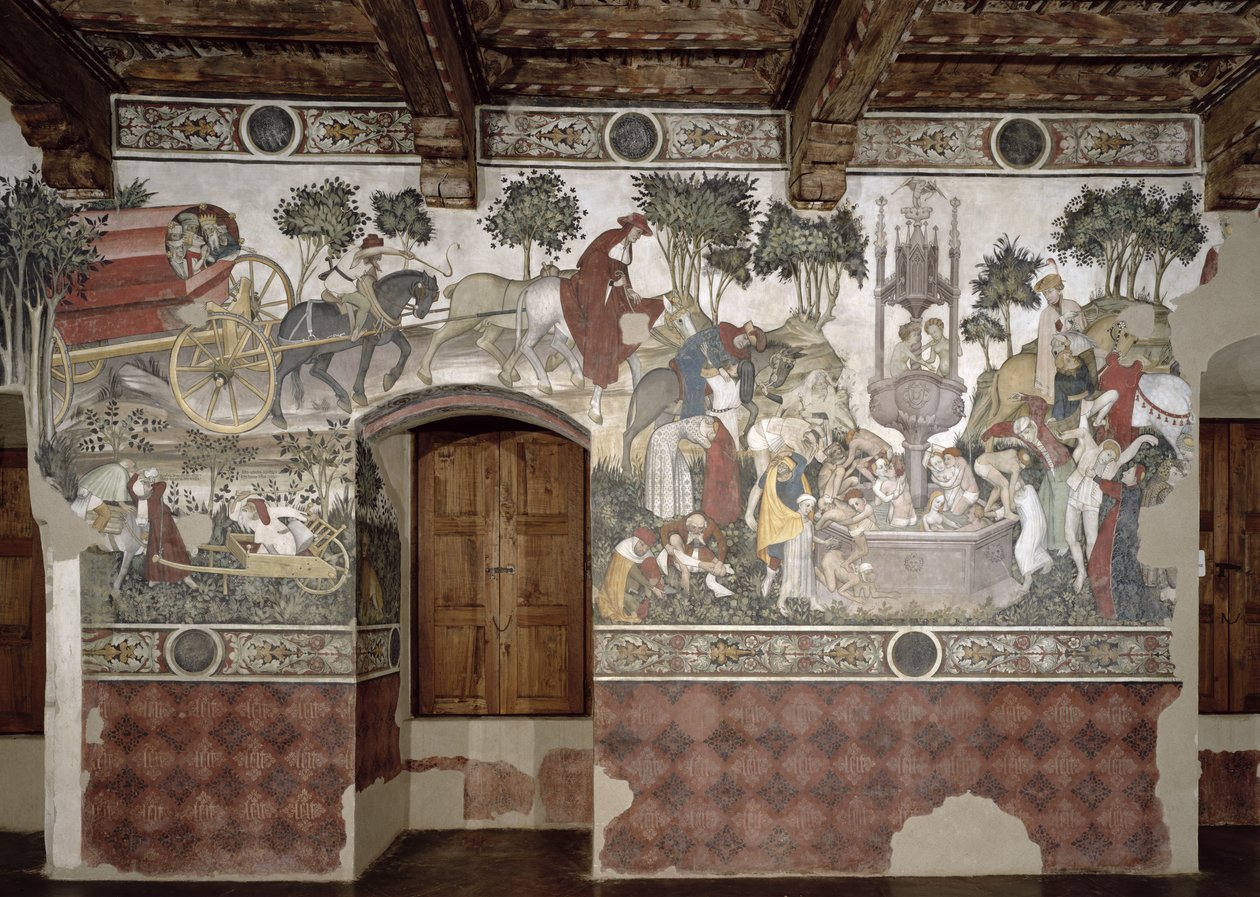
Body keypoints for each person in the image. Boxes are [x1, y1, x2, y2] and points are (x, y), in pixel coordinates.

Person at [559, 213, 666, 397]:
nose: (638, 237)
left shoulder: (626, 247)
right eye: (637, 232)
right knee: (606, 328)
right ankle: (600, 373)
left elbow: (622, 272)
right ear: (629, 228)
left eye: (641, 234)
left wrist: (629, 290)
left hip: (612, 292)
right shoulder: (609, 240)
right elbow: (593, 267)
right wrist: (611, 283)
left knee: (643, 308)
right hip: (593, 291)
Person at [982, 393, 1074, 553]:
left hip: (1064, 467)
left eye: (1026, 433)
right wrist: (988, 433)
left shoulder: (1037, 422)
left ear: (1031, 427)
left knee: (1059, 506)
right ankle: (1047, 543)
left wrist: (1024, 397)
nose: (1025, 437)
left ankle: (1063, 543)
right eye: (1022, 435)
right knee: (1044, 503)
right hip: (1051, 471)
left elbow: (1040, 403)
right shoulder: (1024, 435)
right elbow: (1004, 428)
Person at [322, 233, 417, 341]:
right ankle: (355, 334)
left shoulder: (369, 264)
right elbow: (378, 250)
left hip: (346, 285)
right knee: (365, 305)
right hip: (337, 284)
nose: (379, 257)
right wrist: (401, 253)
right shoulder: (357, 255)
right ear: (371, 252)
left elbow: (375, 283)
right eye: (377, 255)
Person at [673, 321, 766, 419]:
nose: (744, 343)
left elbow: (745, 367)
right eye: (745, 338)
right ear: (740, 331)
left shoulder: (744, 352)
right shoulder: (722, 332)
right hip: (692, 354)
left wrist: (755, 380)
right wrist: (720, 367)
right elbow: (709, 349)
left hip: (709, 363)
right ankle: (691, 417)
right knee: (698, 382)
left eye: (748, 343)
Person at [751, 452, 812, 597]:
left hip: (796, 520)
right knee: (777, 551)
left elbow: (802, 461)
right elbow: (761, 484)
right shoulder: (773, 481)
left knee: (796, 550)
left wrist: (789, 453)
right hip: (779, 520)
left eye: (784, 464)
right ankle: (769, 580)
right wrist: (768, 470)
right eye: (779, 466)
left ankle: (792, 585)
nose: (782, 467)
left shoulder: (796, 476)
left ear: (789, 466)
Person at [1032, 268, 1093, 401]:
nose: (1047, 296)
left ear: (1059, 290)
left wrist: (1073, 326)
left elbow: (1083, 331)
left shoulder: (1073, 306)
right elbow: (1050, 340)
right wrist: (1063, 319)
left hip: (1076, 353)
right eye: (1044, 293)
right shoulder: (1045, 315)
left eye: (1050, 291)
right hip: (1056, 356)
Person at [643, 416, 717, 520]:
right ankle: (666, 513)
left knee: (683, 471)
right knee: (667, 474)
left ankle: (681, 509)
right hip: (663, 438)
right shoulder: (699, 424)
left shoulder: (704, 421)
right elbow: (705, 443)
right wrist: (715, 445)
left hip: (667, 437)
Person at [128, 467, 190, 583]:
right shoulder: (154, 496)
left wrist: (137, 473)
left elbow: (130, 487)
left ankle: (155, 579)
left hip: (155, 527)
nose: (147, 483)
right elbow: (162, 484)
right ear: (143, 491)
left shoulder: (138, 499)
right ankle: (181, 576)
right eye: (145, 484)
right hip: (166, 524)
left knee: (155, 549)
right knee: (173, 549)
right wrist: (153, 478)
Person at [596, 528, 665, 623]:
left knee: (650, 563)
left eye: (647, 548)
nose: (644, 550)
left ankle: (644, 601)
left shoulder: (646, 555)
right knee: (632, 607)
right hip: (619, 587)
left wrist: (658, 579)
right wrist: (653, 588)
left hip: (637, 588)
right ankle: (634, 607)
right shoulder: (624, 551)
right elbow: (636, 574)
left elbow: (651, 570)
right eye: (642, 544)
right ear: (635, 541)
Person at [660, 512, 730, 594]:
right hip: (684, 556)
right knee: (674, 538)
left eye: (700, 528)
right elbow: (664, 529)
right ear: (688, 524)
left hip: (703, 556)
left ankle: (702, 565)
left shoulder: (710, 525)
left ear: (705, 526)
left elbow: (721, 541)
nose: (696, 531)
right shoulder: (682, 523)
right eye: (693, 527)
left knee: (722, 571)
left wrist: (720, 562)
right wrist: (667, 546)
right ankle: (685, 571)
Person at [228, 491, 315, 556]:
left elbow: (288, 511)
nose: (245, 507)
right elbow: (232, 515)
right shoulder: (246, 516)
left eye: (250, 506)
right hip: (270, 541)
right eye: (246, 505)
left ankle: (277, 559)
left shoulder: (269, 512)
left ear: (256, 510)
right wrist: (238, 499)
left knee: (263, 533)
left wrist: (307, 518)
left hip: (284, 542)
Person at [1012, 482, 1052, 589]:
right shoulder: (1028, 490)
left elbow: (1011, 509)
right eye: (1014, 483)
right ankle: (1046, 560)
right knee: (1033, 547)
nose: (1017, 484)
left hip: (1033, 527)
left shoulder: (1023, 494)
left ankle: (1027, 578)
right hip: (1039, 524)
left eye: (1017, 482)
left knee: (1019, 550)